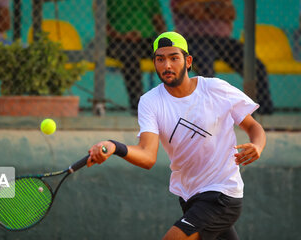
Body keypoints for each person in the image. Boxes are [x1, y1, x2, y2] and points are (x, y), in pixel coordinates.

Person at [87, 32, 266, 240]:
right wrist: (114, 146)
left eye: (174, 58)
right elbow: (147, 155)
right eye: (160, 59)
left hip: (222, 193)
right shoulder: (150, 101)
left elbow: (253, 126)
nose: (167, 66)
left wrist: (258, 146)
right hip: (189, 195)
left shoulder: (215, 89)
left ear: (188, 61)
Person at [170, 0, 274, 115]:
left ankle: (264, 111)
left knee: (255, 65)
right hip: (194, 39)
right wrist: (215, 7)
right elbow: (194, 12)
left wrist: (204, 7)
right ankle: (209, 110)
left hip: (223, 41)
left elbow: (230, 13)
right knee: (206, 66)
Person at [94, 0, 166, 115]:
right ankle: (138, 106)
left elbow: (158, 20)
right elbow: (102, 22)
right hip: (118, 41)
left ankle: (175, 101)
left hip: (146, 39)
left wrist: (166, 39)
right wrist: (123, 36)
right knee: (130, 56)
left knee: (171, 55)